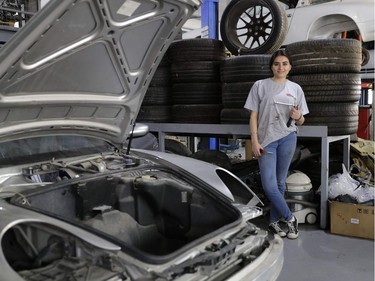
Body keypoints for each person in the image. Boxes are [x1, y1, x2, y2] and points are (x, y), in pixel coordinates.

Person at [244, 49, 309, 239]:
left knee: (280, 183)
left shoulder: (295, 89)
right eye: (276, 64)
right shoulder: (260, 86)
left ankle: (273, 221)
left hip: (288, 137)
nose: (280, 67)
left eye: (284, 64)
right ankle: (290, 218)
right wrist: (254, 141)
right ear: (271, 66)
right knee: (269, 185)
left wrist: (298, 117)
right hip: (266, 140)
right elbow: (253, 115)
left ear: (290, 67)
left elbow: (302, 120)